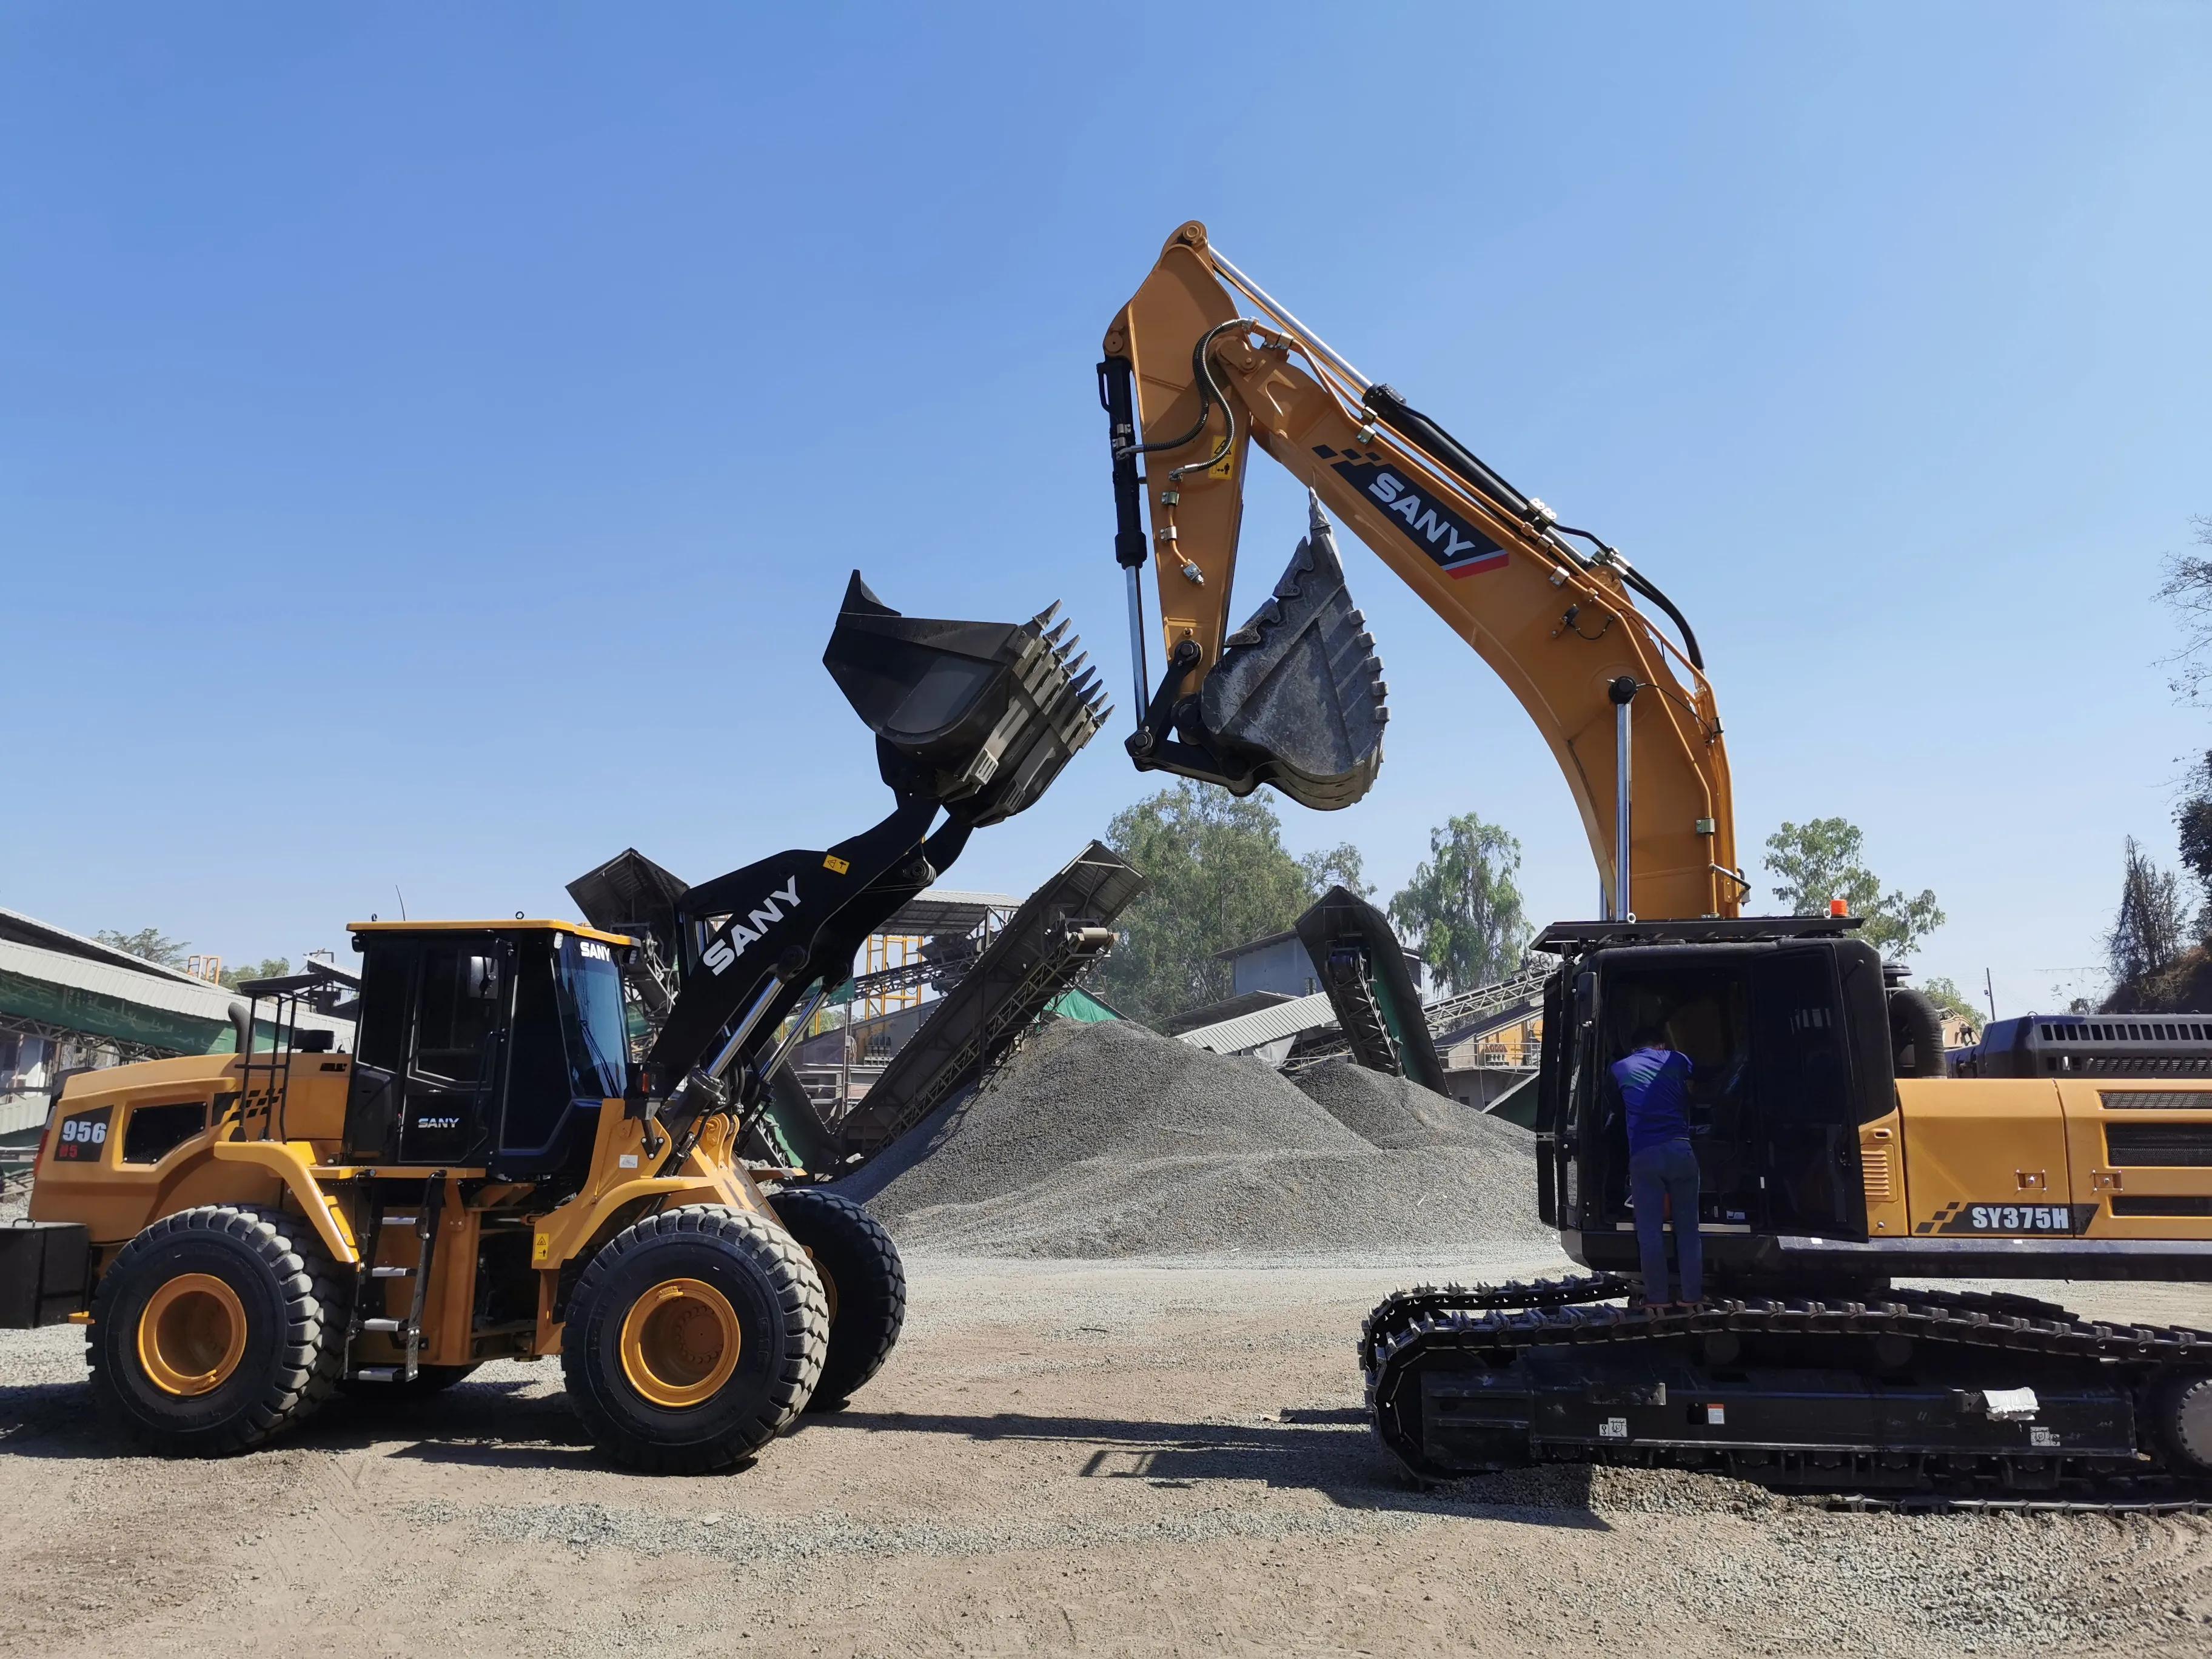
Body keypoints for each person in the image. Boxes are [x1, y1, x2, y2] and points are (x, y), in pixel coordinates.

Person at [1609, 1025, 1703, 1307]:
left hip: (1645, 1155)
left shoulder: (1620, 1068)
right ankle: (1692, 1297)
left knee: (1649, 1232)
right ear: (1660, 1044)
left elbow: (1614, 1106)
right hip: (1681, 1150)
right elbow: (1699, 1087)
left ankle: (1657, 1298)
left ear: (1634, 1048)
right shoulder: (1678, 1059)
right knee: (1689, 1230)